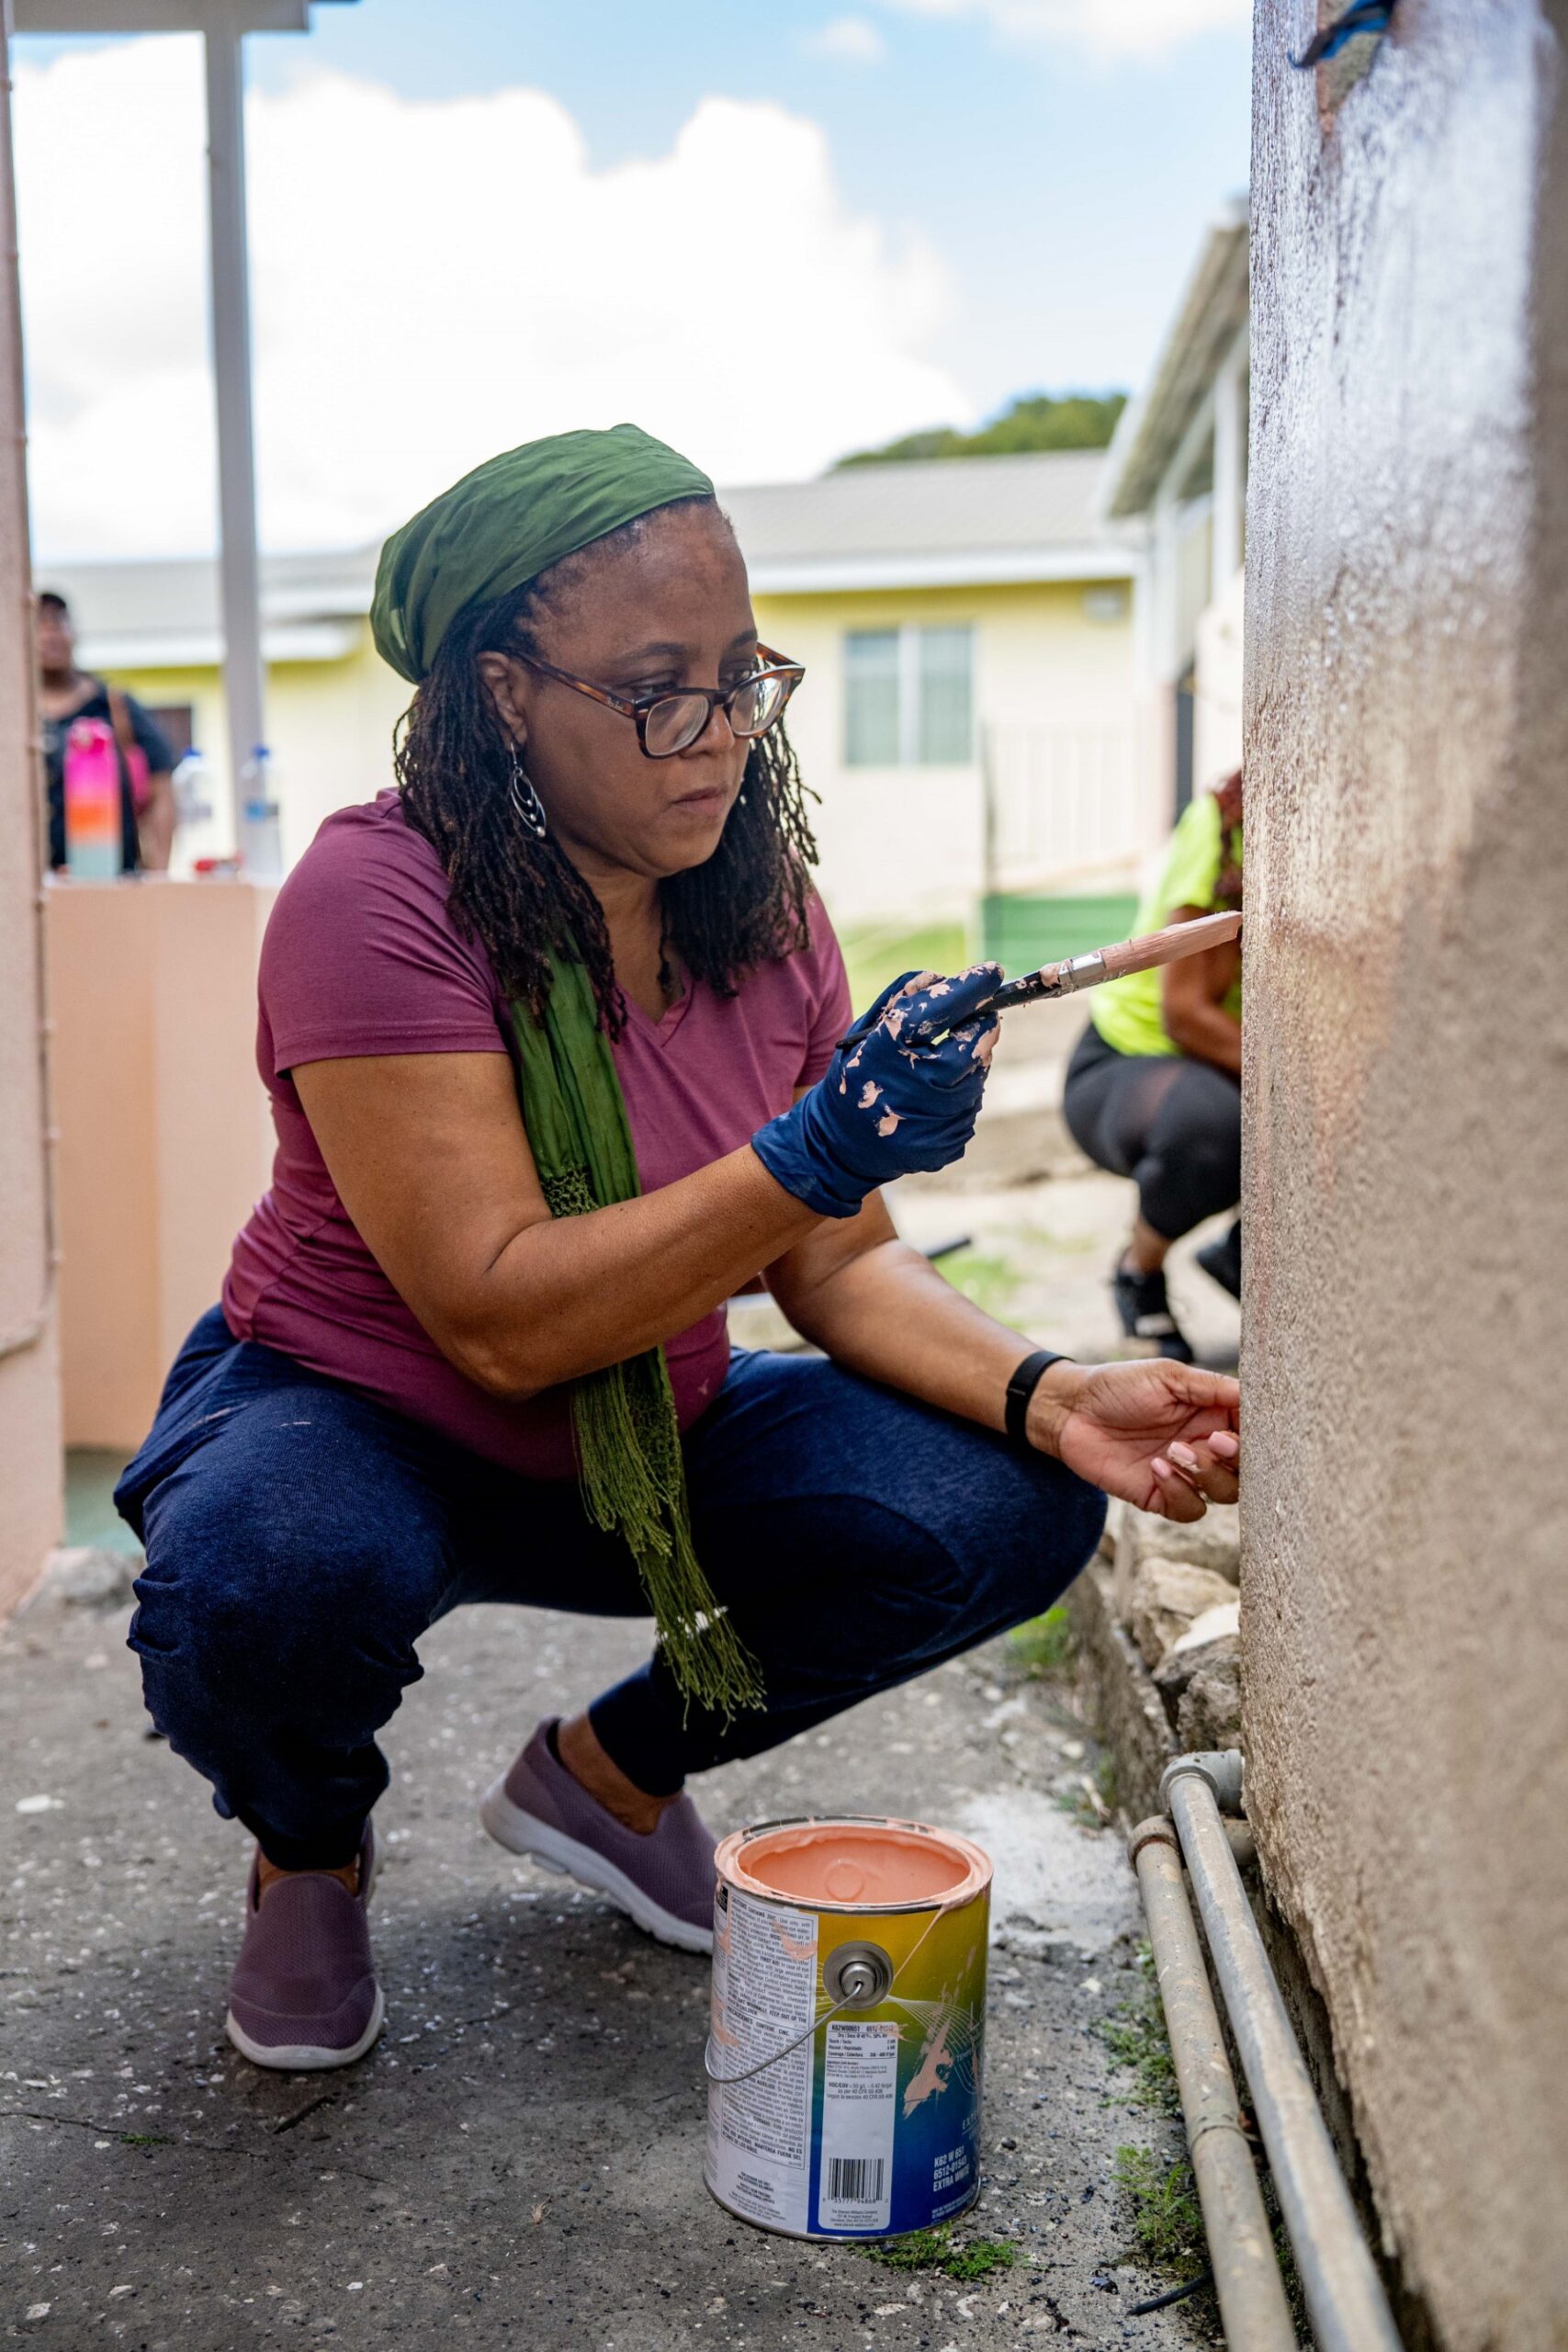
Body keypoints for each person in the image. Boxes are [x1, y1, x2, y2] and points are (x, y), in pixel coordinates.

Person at [114, 426, 1240, 2073]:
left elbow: (838, 1262)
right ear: (505, 691)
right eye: (656, 688)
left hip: (658, 1415)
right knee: (258, 1583)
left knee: (1003, 1500)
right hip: (365, 1418)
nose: (716, 737)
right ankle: (308, 1844)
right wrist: (811, 1149)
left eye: (740, 676)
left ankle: (604, 1778)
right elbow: (496, 1318)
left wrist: (1048, 1393)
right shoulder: (376, 895)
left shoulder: (753, 898)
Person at [1062, 767, 1244, 1363]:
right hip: (1125, 1064)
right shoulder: (1221, 822)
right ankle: (1137, 1270)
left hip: (1214, 1067)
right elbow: (1183, 1014)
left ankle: (1240, 1253)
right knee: (1213, 1125)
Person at [37, 590, 177, 874]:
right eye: (38, 624)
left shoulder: (114, 705)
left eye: (59, 622)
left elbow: (161, 787)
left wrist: (157, 873)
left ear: (74, 634)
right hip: (30, 887)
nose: (50, 633)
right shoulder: (13, 714)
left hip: (111, 880)